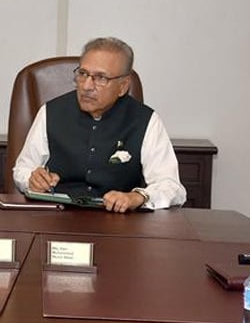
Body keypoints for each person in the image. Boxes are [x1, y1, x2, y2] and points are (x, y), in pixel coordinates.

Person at [13, 37, 186, 212]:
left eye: (100, 78)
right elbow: (22, 169)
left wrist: (137, 197)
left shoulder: (145, 120)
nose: (87, 86)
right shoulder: (50, 112)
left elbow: (172, 187)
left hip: (119, 223)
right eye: (82, 74)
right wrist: (32, 179)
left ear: (123, 86)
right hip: (58, 217)